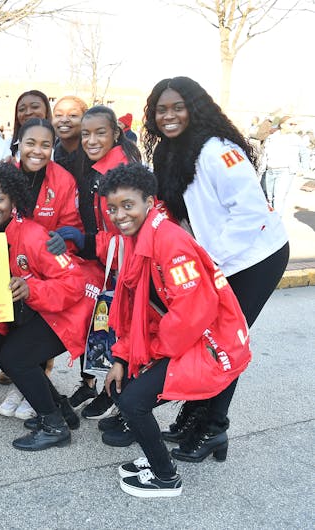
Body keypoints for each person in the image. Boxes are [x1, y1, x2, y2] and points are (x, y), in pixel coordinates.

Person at [142, 76, 289, 462]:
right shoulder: (170, 151)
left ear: (195, 107)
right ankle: (194, 415)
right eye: (161, 109)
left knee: (224, 340)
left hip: (256, 256)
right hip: (220, 259)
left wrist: (209, 264)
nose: (168, 115)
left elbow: (251, 212)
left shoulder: (217, 150)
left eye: (177, 107)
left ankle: (214, 429)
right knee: (203, 337)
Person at [99, 163, 251, 498]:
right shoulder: (139, 237)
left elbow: (192, 312)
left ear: (149, 202)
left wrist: (152, 354)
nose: (119, 215)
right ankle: (157, 460)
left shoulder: (169, 242)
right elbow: (137, 313)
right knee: (121, 387)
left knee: (133, 401)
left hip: (208, 342)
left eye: (128, 205)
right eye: (112, 208)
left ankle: (166, 478)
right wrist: (123, 356)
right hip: (183, 338)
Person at [0, 163, 97, 451]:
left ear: (13, 201)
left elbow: (73, 283)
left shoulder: (34, 235)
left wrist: (30, 288)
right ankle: (62, 411)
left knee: (16, 358)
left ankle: (54, 426)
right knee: (5, 352)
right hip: (41, 312)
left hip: (70, 314)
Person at [0, 117, 84, 419]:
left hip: (49, 270)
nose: (37, 150)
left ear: (53, 147)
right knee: (13, 334)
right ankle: (27, 385)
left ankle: (30, 390)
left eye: (45, 144)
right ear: (18, 143)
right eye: (30, 143)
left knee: (28, 342)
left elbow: (72, 225)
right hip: (12, 265)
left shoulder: (63, 180)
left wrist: (66, 239)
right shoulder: (6, 172)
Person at [62, 105, 142, 426]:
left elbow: (129, 233)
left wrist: (89, 242)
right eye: (86, 134)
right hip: (103, 260)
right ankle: (91, 383)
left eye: (99, 133)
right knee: (98, 325)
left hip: (123, 264)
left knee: (121, 330)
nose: (91, 140)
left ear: (115, 134)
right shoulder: (96, 164)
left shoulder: (121, 171)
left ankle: (119, 397)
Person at [263, 116, 307, 213]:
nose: (294, 126)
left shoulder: (296, 139)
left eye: (295, 124)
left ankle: (276, 222)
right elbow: (265, 153)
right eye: (291, 124)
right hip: (270, 170)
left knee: (279, 198)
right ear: (282, 125)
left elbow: (304, 154)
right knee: (269, 197)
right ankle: (270, 220)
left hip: (285, 171)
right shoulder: (272, 137)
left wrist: (303, 169)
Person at [9, 90, 52, 158]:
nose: (28, 112)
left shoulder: (59, 147)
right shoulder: (5, 147)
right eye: (22, 109)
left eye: (35, 107)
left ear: (46, 111)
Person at [51, 95, 88, 173]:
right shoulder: (50, 153)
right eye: (58, 115)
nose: (64, 120)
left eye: (73, 115)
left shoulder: (93, 153)